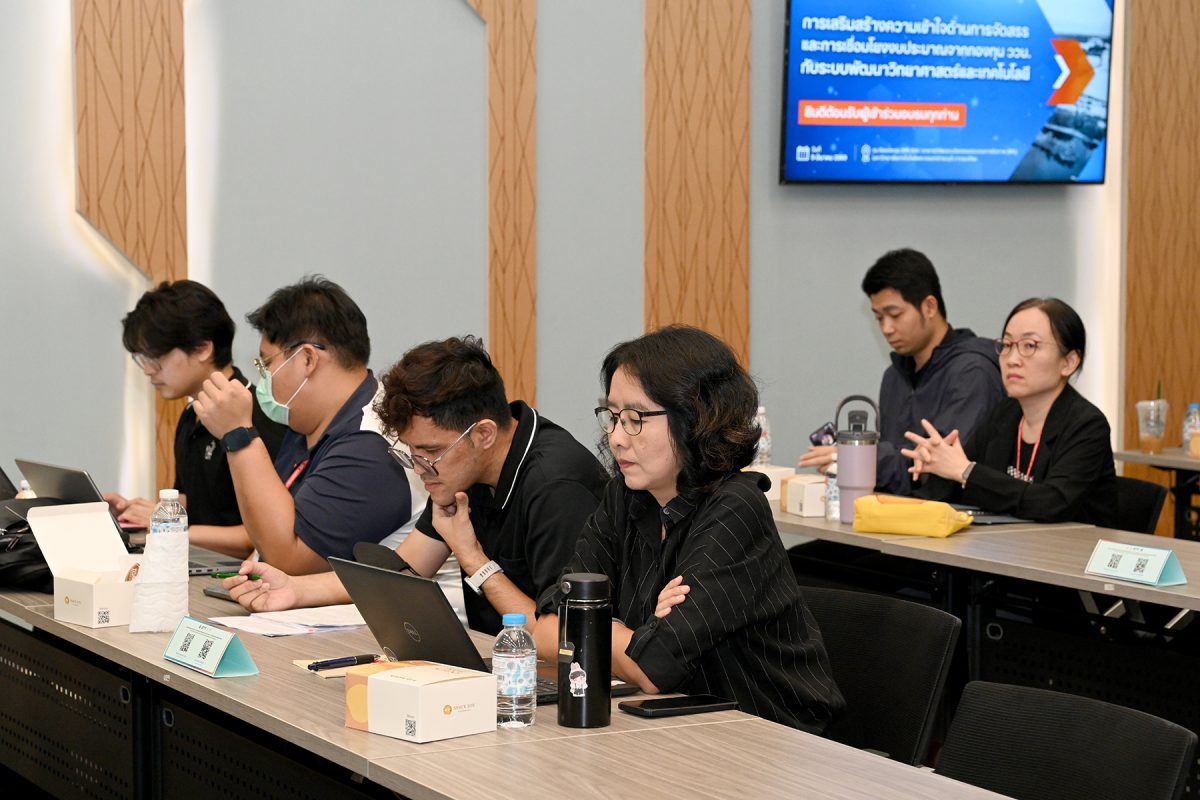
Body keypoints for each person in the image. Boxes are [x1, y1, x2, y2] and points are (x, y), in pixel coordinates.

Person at [533, 326, 844, 733]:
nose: (616, 438)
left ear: (695, 419)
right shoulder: (624, 497)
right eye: (612, 417)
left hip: (772, 734)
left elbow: (653, 667)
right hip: (678, 724)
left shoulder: (736, 508)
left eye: (635, 419)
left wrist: (601, 628)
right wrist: (633, 632)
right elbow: (545, 627)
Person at [225, 336, 608, 634]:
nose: (421, 468)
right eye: (411, 452)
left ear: (484, 434)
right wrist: (295, 589)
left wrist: (473, 559)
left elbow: (561, 636)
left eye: (431, 452)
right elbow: (405, 571)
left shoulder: (558, 486)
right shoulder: (463, 466)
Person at [188, 276, 425, 573]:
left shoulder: (370, 445)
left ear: (307, 359)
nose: (265, 377)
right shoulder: (307, 424)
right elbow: (269, 533)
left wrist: (238, 434)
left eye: (266, 364)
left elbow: (290, 562)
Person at [800, 249, 1004, 495]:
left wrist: (859, 459)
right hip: (895, 511)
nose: (886, 328)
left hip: (952, 513)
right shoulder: (894, 376)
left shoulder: (973, 372)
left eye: (895, 315)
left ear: (929, 307)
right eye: (879, 318)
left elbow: (933, 468)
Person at [903, 297, 1116, 526]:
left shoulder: (1087, 425)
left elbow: (1052, 503)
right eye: (1006, 345)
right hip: (1011, 542)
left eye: (1029, 346)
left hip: (1072, 546)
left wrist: (965, 471)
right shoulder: (1005, 414)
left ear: (1069, 362)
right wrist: (934, 465)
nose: (1012, 359)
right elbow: (964, 484)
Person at [104, 280, 288, 528]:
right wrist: (138, 514)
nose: (148, 370)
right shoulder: (192, 416)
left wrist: (169, 526)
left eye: (156, 357)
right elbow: (195, 504)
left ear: (202, 348)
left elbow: (262, 533)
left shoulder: (259, 416)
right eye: (143, 358)